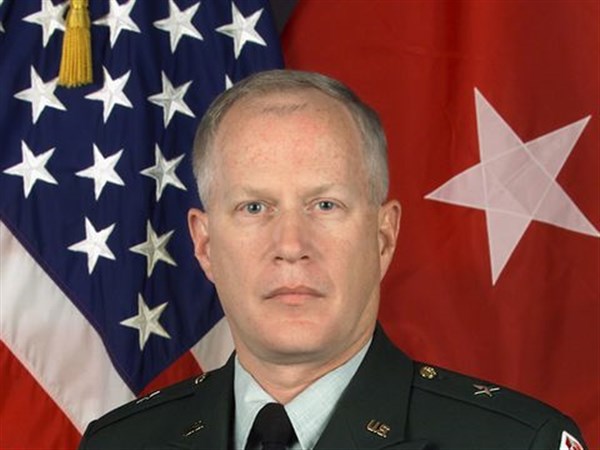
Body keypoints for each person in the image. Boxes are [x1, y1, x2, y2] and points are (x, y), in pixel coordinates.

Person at [79, 70, 587, 450]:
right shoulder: (119, 444)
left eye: (325, 205)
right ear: (206, 245)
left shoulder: (517, 443)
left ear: (383, 237)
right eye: (254, 207)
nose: (291, 244)